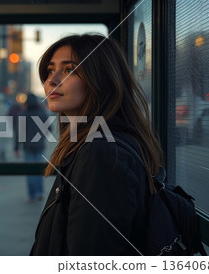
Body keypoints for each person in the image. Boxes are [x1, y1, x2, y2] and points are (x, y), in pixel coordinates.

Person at [30, 34, 164, 255]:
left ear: (100, 79)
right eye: (50, 70)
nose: (51, 81)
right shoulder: (95, 143)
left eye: (69, 70)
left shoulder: (100, 153)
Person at [14, 93, 48, 202]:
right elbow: (49, 129)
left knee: (29, 171)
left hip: (27, 146)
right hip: (39, 145)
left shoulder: (23, 114)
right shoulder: (42, 113)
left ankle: (32, 194)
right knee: (39, 170)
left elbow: (18, 132)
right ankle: (40, 192)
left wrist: (16, 148)